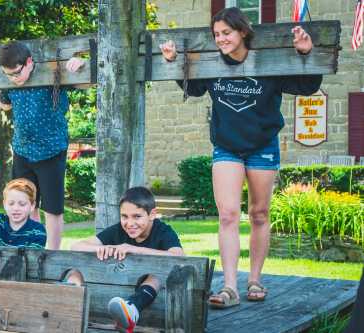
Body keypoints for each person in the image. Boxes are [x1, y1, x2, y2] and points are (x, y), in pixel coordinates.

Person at [159, 7, 322, 308]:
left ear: (243, 32)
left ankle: (255, 279)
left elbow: (308, 86)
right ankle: (231, 286)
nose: (220, 39)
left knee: (259, 214)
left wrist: (306, 53)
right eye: (216, 34)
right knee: (228, 214)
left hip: (262, 145)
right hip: (227, 147)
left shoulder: (270, 63)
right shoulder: (211, 66)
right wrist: (172, 62)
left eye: (226, 33)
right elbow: (192, 88)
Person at [0, 41, 85, 250]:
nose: (13, 79)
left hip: (51, 150)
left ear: (30, 62)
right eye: (8, 75)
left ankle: (53, 254)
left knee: (53, 209)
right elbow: (6, 104)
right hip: (23, 151)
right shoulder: (10, 85)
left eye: (16, 73)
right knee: (27, 205)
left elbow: (87, 82)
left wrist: (81, 63)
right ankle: (33, 248)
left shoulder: (52, 74)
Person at [68, 187, 184, 333]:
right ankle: (66, 301)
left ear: (152, 214)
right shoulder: (118, 230)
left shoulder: (163, 231)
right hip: (107, 297)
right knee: (75, 271)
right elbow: (76, 246)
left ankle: (132, 308)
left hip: (151, 296)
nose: (129, 223)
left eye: (137, 216)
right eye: (124, 216)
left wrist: (133, 249)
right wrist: (103, 247)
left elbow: (178, 256)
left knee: (155, 276)